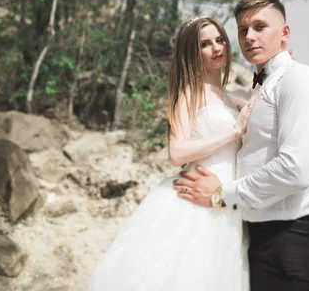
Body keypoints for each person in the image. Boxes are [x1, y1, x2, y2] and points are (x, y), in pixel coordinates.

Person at [173, 0, 309, 290]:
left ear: (284, 33)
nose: (249, 36)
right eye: (243, 29)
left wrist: (223, 195)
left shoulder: (299, 81)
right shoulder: (263, 86)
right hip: (256, 233)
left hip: (291, 236)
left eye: (260, 27)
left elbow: (295, 170)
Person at [86, 16, 259, 291]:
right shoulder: (189, 93)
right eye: (205, 44)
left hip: (225, 203)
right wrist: (233, 132)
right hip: (195, 201)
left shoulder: (227, 97)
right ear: (193, 52)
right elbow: (177, 153)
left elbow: (260, 105)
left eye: (220, 39)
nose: (217, 48)